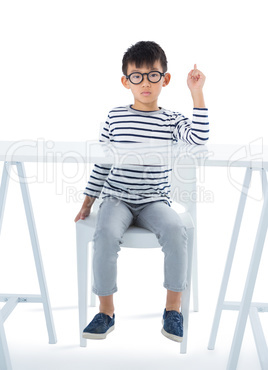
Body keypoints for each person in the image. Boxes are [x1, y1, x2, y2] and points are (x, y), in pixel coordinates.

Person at [74, 41, 209, 343]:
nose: (145, 83)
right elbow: (103, 163)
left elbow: (199, 138)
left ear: (166, 79)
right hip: (117, 198)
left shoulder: (171, 120)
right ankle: (105, 311)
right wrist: (88, 202)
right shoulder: (115, 117)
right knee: (105, 235)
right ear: (126, 81)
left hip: (154, 200)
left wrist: (196, 93)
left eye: (153, 75)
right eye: (137, 76)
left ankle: (173, 309)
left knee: (176, 230)